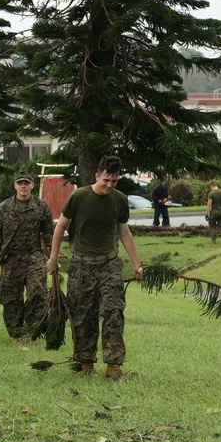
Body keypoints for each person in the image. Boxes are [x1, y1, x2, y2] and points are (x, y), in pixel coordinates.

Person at [48, 155, 144, 381]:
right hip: (81, 266)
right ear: (97, 176)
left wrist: (137, 265)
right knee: (83, 316)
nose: (110, 185)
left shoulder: (119, 200)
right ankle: (86, 363)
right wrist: (53, 258)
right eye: (106, 180)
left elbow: (124, 233)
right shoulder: (79, 196)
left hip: (110, 264)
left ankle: (113, 365)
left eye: (114, 181)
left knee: (113, 312)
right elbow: (61, 226)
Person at [0, 172, 54, 345]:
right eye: (20, 183)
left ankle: (32, 331)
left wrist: (53, 257)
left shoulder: (41, 206)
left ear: (32, 185)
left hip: (34, 257)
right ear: (15, 186)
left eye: (27, 183)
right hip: (11, 259)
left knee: (38, 293)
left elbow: (48, 233)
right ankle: (16, 334)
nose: (23, 186)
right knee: (11, 298)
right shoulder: (4, 208)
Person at [205, 181, 221, 246]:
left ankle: (213, 240)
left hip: (214, 211)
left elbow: (209, 204)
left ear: (212, 186)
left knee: (212, 226)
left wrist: (206, 213)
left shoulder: (211, 193)